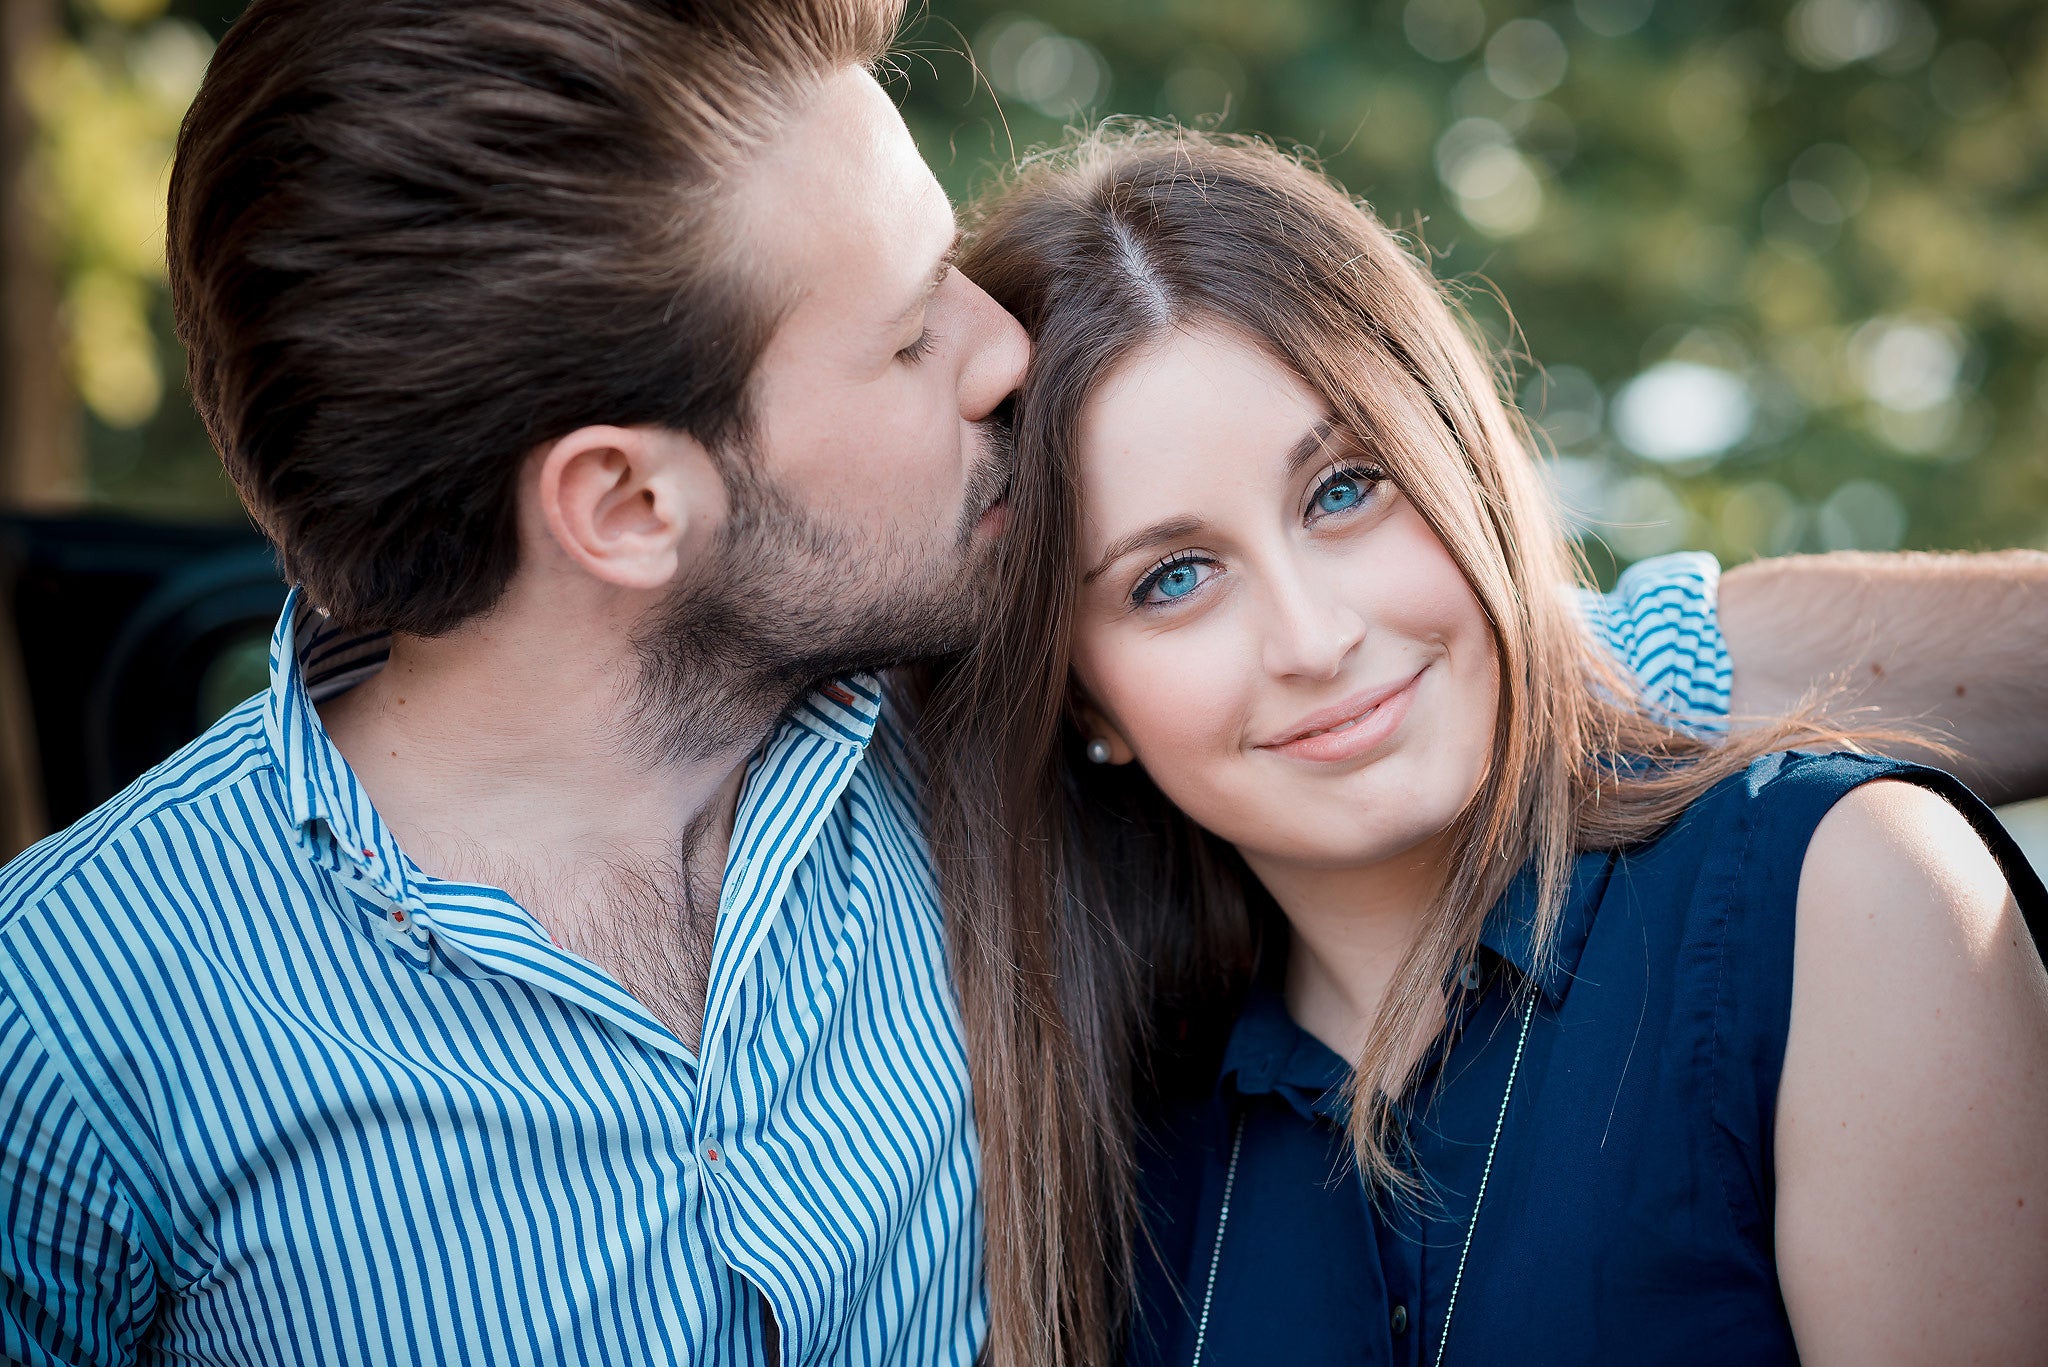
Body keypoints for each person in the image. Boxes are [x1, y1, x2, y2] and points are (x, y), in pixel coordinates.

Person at [0, 3, 2045, 1363]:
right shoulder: (74, 1024)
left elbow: (1593, 664)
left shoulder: (1011, 739)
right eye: (903, 339)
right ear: (626, 500)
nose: (997, 356)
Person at [926, 125, 2048, 1367]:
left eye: (1343, 490)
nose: (1313, 637)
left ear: (1461, 460)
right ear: (1083, 701)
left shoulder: (1845, 895)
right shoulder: (1096, 1149)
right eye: (1173, 577)